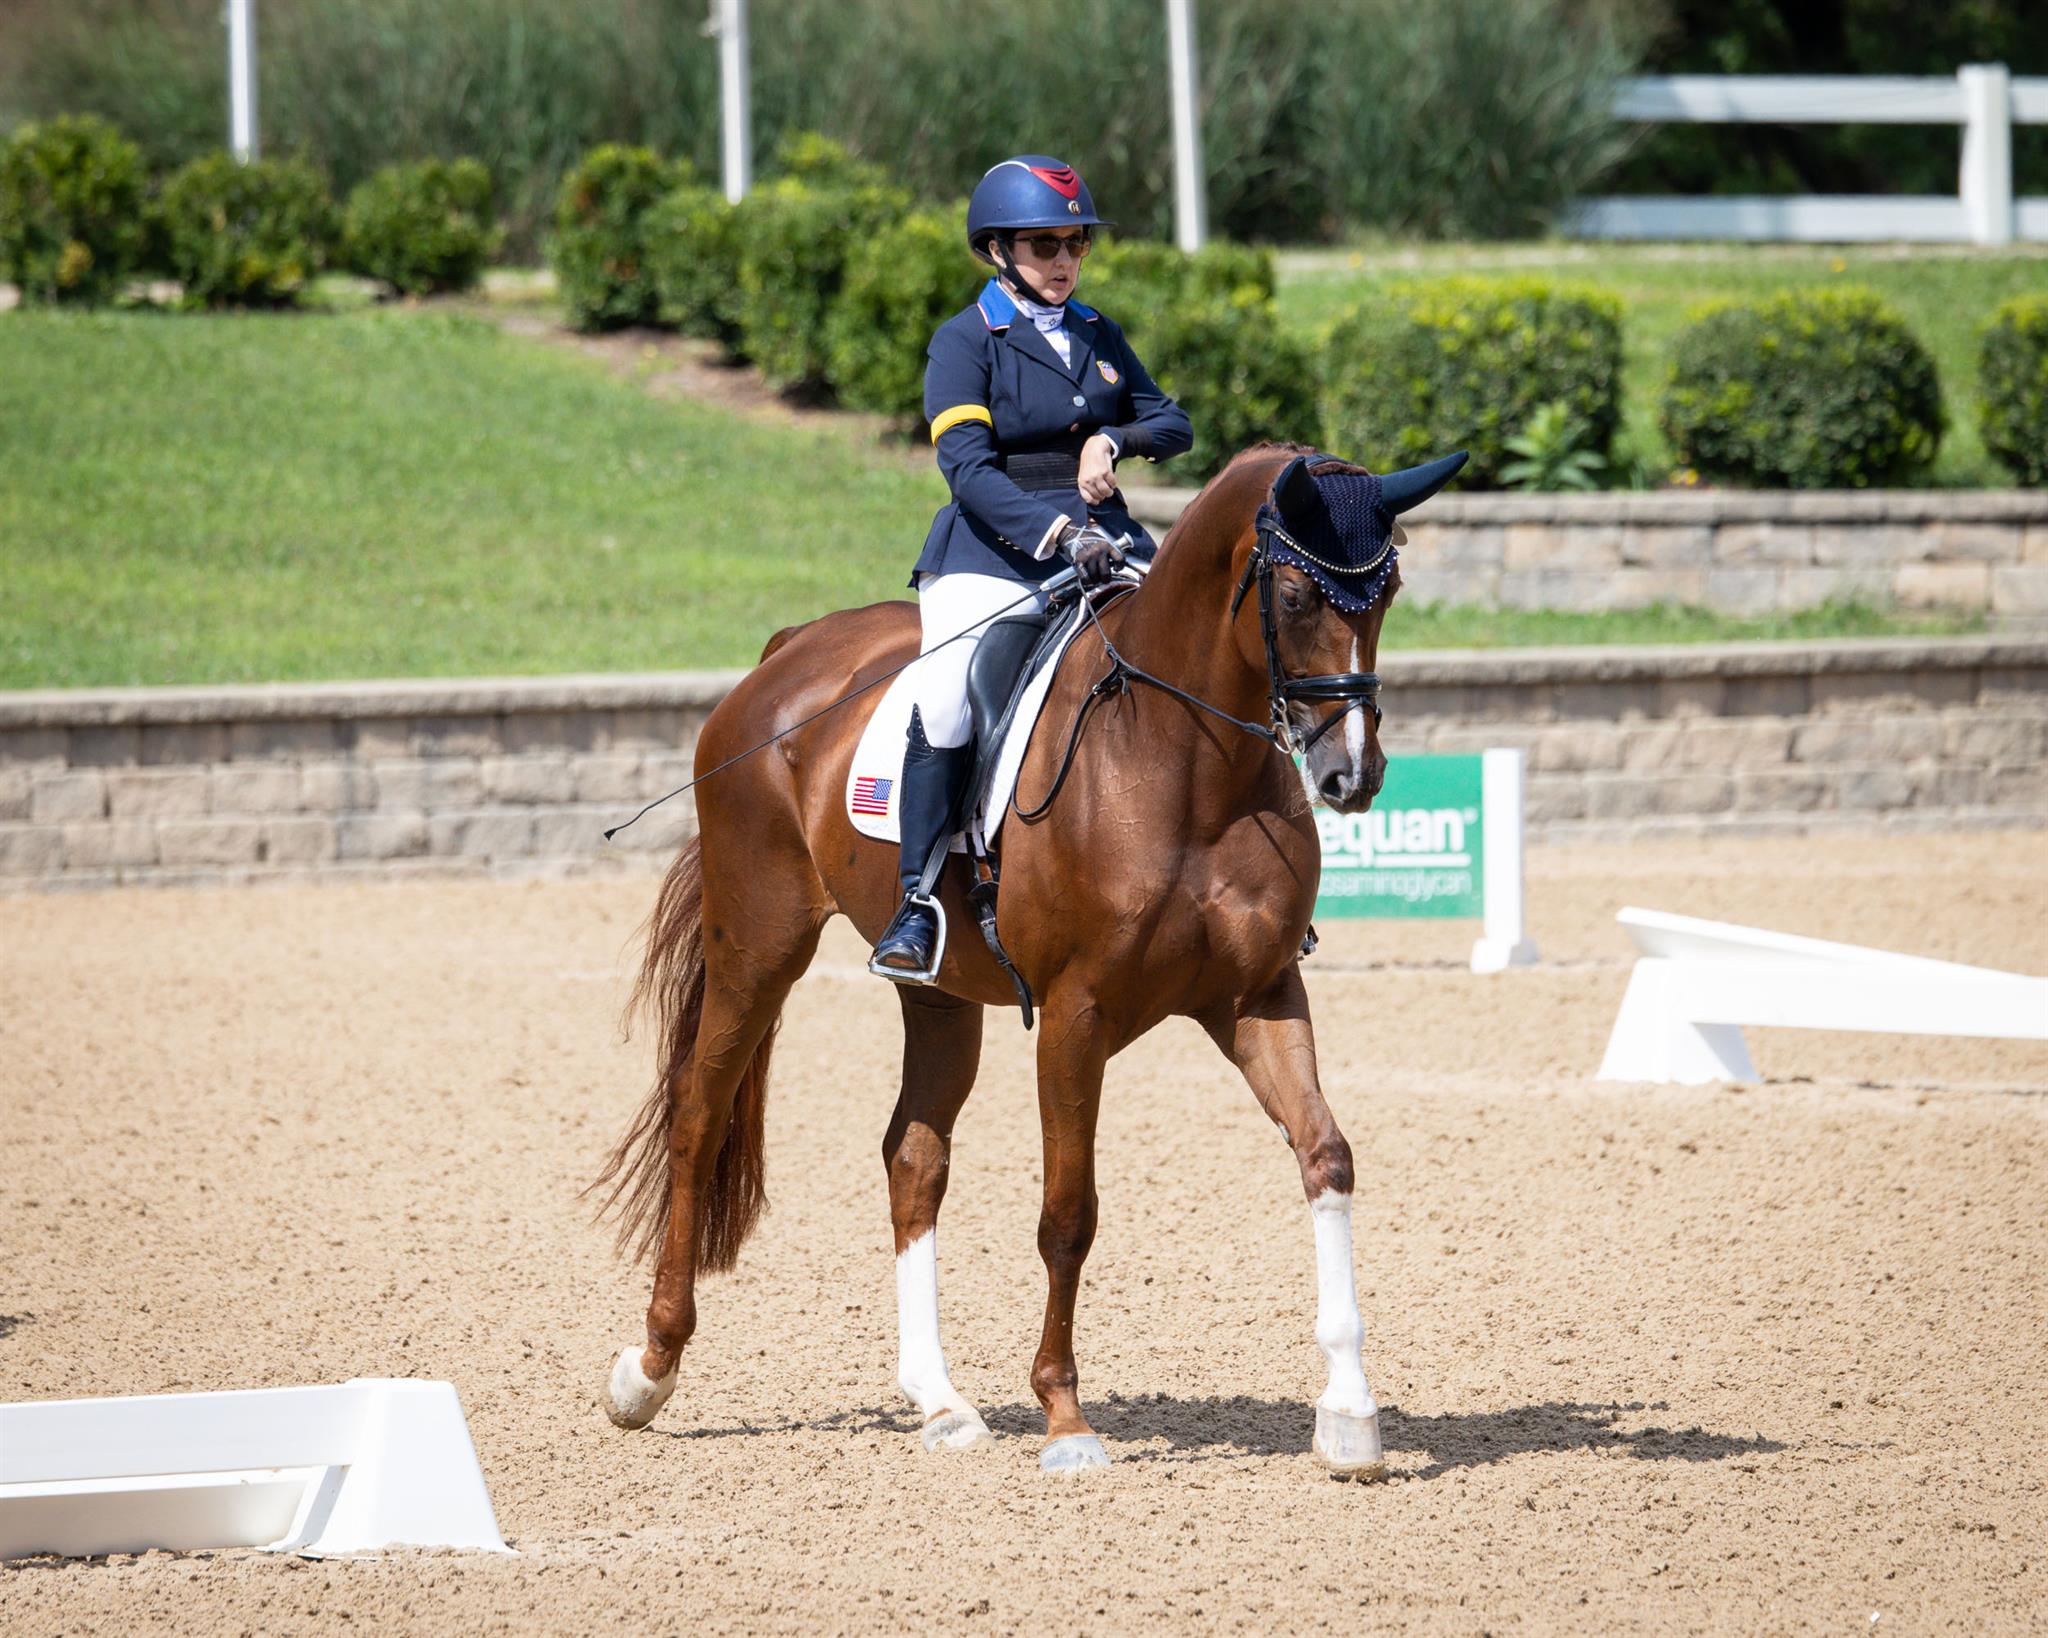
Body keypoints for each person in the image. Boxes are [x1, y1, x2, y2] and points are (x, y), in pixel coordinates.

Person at [869, 155, 1194, 982]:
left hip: (1105, 534)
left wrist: (1113, 439)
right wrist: (1056, 534)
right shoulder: (965, 340)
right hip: (990, 548)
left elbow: (1174, 421)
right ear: (998, 250)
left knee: (1203, 648)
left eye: (1076, 243)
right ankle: (916, 903)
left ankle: (1227, 870)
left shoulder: (1095, 330)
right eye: (1045, 243)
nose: (1065, 260)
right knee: (944, 697)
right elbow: (968, 471)